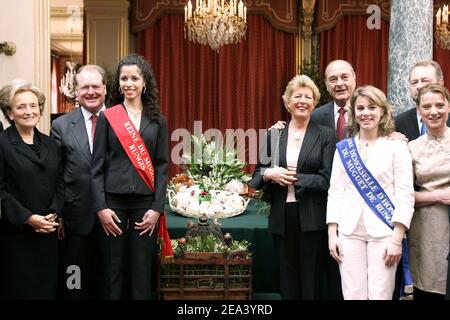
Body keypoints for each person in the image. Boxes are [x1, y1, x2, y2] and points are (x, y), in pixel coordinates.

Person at [249, 75, 336, 299]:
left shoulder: (326, 135)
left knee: (311, 277)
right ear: (288, 102)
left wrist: (294, 178)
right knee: (287, 277)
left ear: (314, 103)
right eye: (297, 96)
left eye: (308, 97)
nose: (302, 100)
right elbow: (257, 174)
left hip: (312, 216)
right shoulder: (274, 134)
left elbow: (328, 179)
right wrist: (270, 173)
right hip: (282, 214)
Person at [91, 54, 168, 300]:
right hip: (112, 203)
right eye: (124, 78)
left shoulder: (158, 121)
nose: (129, 83)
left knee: (141, 269)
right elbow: (96, 167)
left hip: (144, 204)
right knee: (113, 269)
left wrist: (157, 208)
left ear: (145, 82)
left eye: (135, 78)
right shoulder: (108, 117)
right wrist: (101, 208)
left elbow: (162, 166)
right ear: (118, 83)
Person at [326, 85, 415, 299]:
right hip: (348, 230)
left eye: (372, 107)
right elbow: (336, 191)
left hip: (384, 231)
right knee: (352, 292)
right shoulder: (344, 148)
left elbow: (405, 194)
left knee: (381, 293)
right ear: (353, 113)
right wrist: (332, 233)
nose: (366, 113)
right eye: (361, 108)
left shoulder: (397, 147)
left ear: (383, 111)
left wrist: (397, 238)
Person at [0, 79, 62, 299]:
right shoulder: (2, 143)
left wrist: (54, 212)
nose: (29, 111)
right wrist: (28, 218)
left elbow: (59, 183)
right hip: (16, 237)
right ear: (9, 113)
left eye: (33, 105)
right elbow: (1, 191)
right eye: (21, 107)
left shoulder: (51, 143)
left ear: (40, 109)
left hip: (48, 235)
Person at [50, 64, 106, 299]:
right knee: (75, 278)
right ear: (76, 91)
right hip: (75, 217)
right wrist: (59, 214)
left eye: (95, 86)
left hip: (114, 216)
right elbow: (56, 174)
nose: (90, 91)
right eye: (85, 87)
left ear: (105, 88)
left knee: (107, 278)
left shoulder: (122, 122)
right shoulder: (61, 126)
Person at [408, 83, 450, 300]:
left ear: (449, 107)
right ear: (419, 111)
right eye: (427, 106)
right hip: (427, 229)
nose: (434, 111)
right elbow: (403, 196)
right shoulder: (411, 147)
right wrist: (439, 196)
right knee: (429, 290)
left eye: (440, 105)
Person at [395, 60, 450, 141]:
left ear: (440, 84)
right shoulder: (398, 123)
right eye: (414, 82)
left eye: (424, 81)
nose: (419, 86)